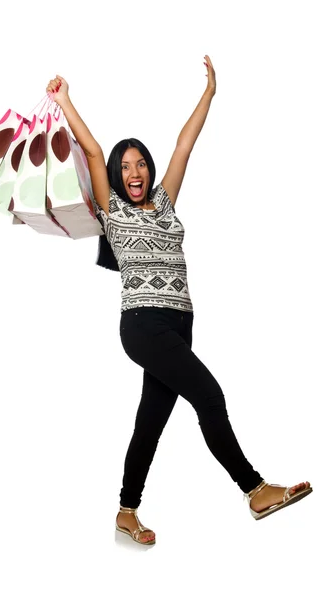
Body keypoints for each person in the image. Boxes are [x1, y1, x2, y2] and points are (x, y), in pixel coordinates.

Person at [46, 56, 312, 546]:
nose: (135, 171)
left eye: (140, 163)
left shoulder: (164, 202)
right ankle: (254, 489)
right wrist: (65, 102)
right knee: (210, 398)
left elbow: (184, 147)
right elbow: (92, 146)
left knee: (151, 420)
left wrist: (209, 93)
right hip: (143, 327)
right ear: (115, 175)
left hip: (179, 325)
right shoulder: (113, 210)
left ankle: (127, 511)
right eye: (125, 167)